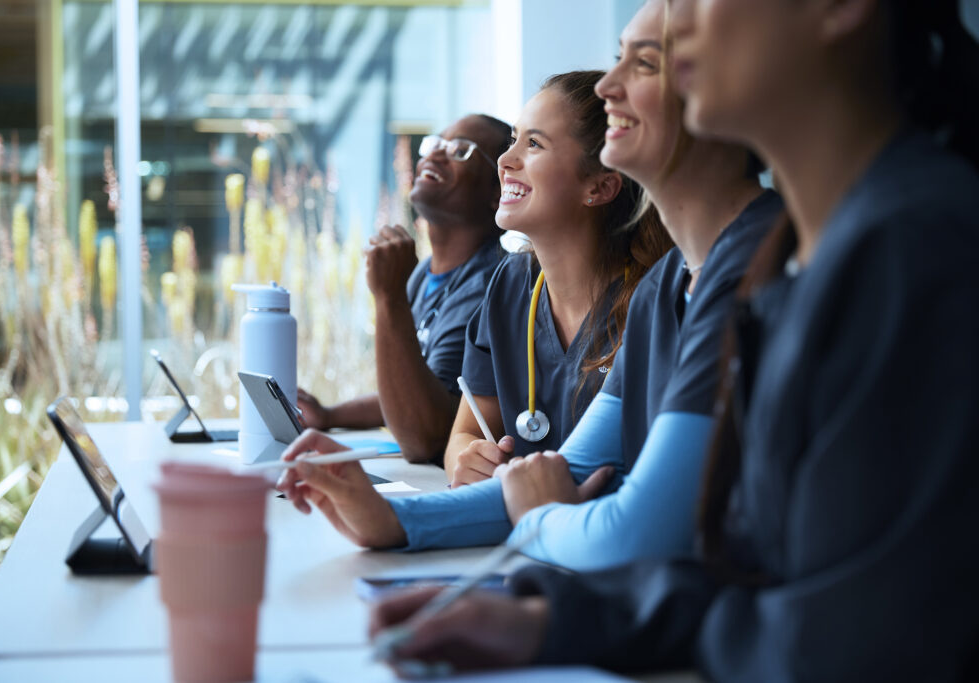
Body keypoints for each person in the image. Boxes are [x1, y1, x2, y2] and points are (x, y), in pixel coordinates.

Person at [369, 0, 979, 679]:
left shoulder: (910, 252)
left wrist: (542, 526)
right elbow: (756, 579)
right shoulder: (775, 262)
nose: (608, 85)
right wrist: (547, 620)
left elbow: (834, 640)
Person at [277, 70, 671, 550]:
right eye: (512, 141)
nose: (506, 161)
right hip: (525, 544)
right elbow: (461, 433)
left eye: (535, 145)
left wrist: (394, 518)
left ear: (600, 187)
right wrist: (467, 459)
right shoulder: (511, 287)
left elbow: (582, 483)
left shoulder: (654, 303)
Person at [487, 0, 782, 571]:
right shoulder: (664, 285)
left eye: (645, 64)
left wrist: (538, 520)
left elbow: (633, 534)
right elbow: (566, 475)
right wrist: (387, 516)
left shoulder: (757, 263)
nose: (607, 88)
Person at [296, 114, 509, 464]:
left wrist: (389, 296)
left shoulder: (492, 283)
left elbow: (426, 438)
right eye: (434, 144)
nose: (434, 155)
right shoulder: (423, 272)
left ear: (496, 191)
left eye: (459, 150)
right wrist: (330, 416)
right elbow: (412, 389)